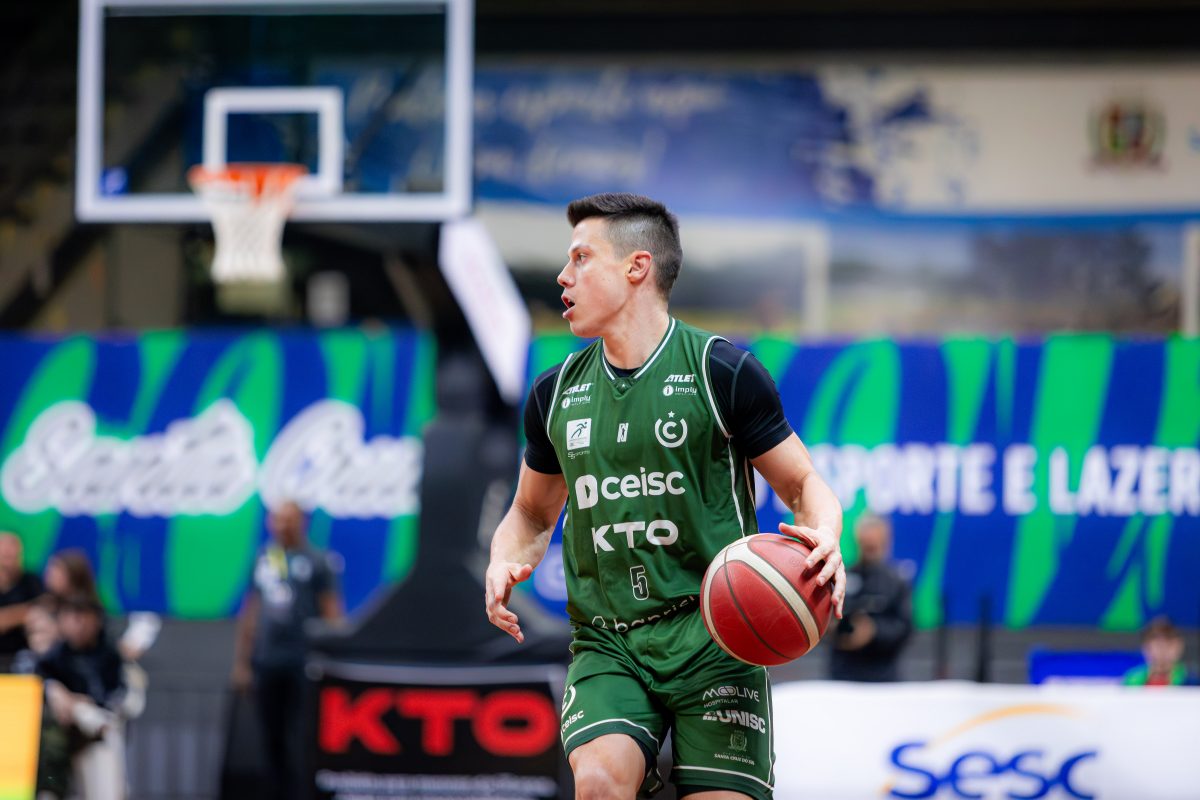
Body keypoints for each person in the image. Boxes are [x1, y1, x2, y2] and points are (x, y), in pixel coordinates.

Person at [484, 193, 846, 800]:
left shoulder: (722, 371)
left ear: (637, 267)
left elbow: (803, 484)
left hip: (718, 637)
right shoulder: (555, 393)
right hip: (610, 640)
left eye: (580, 258)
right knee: (600, 781)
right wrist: (503, 557)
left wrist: (826, 536)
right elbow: (529, 512)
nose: (563, 276)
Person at [233, 501, 343, 800]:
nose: (282, 525)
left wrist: (332, 660)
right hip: (267, 660)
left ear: (301, 522)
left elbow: (331, 612)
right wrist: (242, 662)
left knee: (302, 736)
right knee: (270, 736)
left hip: (304, 662)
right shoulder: (264, 558)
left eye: (289, 519)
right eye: (278, 519)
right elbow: (252, 610)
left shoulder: (318, 560)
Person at [36, 593, 133, 800]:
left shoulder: (109, 655)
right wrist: (61, 697)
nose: (78, 625)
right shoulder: (55, 656)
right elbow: (40, 684)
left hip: (98, 734)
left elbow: (118, 695)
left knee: (105, 790)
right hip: (59, 737)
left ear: (96, 620)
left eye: (84, 617)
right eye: (71, 617)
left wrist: (85, 704)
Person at [828, 514, 913, 682]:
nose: (869, 550)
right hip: (842, 675)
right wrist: (834, 628)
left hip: (883, 676)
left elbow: (905, 627)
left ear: (885, 542)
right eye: (866, 545)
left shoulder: (897, 581)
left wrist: (873, 631)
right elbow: (826, 620)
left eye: (873, 546)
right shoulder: (842, 576)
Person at [0, 531, 44, 671]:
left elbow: (43, 609)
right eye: (4, 551)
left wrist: (6, 618)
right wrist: (22, 613)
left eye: (12, 550)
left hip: (24, 653)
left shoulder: (31, 581)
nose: (8, 554)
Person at [1122, 617, 1198, 687]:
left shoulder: (1191, 681)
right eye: (1158, 643)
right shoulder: (1131, 680)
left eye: (1169, 642)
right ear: (1146, 648)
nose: (1163, 649)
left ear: (1178, 646)